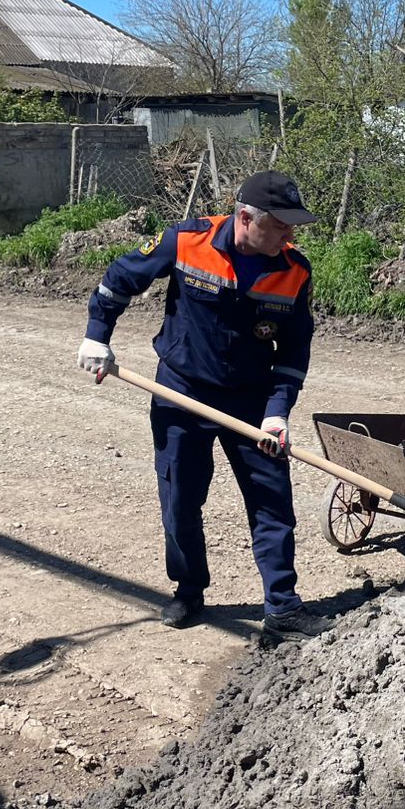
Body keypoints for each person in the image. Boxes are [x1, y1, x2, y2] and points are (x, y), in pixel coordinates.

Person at [76, 171, 334, 641]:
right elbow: (119, 278)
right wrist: (97, 336)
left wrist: (277, 411)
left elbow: (296, 351)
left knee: (272, 503)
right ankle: (189, 590)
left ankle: (282, 608)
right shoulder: (186, 241)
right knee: (180, 498)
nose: (289, 235)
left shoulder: (295, 270)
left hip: (253, 401)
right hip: (182, 390)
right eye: (280, 225)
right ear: (245, 218)